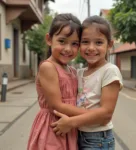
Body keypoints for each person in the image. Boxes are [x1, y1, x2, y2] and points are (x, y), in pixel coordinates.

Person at [51, 15, 123, 150]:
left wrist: (71, 122)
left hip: (98, 139)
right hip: (78, 135)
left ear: (110, 45)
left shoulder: (110, 71)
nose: (91, 47)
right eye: (85, 42)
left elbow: (106, 113)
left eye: (98, 42)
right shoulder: (79, 73)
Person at [27, 13, 91, 150]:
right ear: (49, 39)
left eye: (74, 44)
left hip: (69, 125)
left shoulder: (72, 70)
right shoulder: (48, 67)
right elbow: (57, 106)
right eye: (62, 41)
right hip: (53, 128)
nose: (68, 49)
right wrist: (92, 115)